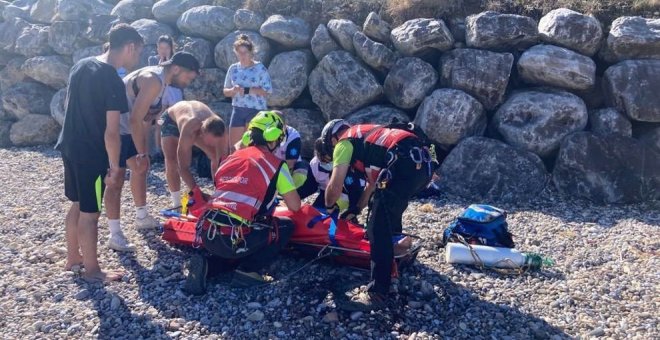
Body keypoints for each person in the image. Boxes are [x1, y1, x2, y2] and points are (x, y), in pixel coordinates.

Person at [55, 23, 144, 282]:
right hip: (91, 154)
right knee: (91, 213)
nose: (137, 58)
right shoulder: (111, 78)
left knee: (77, 202)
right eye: (138, 51)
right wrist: (115, 167)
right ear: (129, 47)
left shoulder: (81, 65)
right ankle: (93, 271)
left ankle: (73, 258)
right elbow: (112, 131)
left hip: (69, 145)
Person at [324, 121, 438, 311]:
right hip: (422, 167)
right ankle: (396, 260)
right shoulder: (369, 138)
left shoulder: (344, 143)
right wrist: (357, 209)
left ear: (333, 138)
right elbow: (371, 185)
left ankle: (379, 291)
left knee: (377, 229)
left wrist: (329, 209)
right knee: (387, 212)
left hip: (403, 165)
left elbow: (334, 186)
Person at [185, 111, 301, 294]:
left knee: (231, 252)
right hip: (237, 236)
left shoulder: (229, 158)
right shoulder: (276, 165)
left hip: (208, 233)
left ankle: (208, 264)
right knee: (285, 226)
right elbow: (295, 206)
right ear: (273, 137)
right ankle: (248, 271)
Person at [103, 52, 200, 252]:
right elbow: (135, 119)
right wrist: (142, 152)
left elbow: (145, 118)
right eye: (187, 77)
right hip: (116, 130)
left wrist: (143, 152)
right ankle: (115, 234)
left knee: (140, 170)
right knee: (116, 178)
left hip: (127, 130)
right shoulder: (153, 79)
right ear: (175, 69)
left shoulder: (162, 82)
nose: (187, 82)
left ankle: (142, 216)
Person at [159, 100, 227, 208]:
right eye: (209, 142)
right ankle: (176, 202)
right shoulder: (190, 131)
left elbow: (223, 163)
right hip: (170, 120)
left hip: (198, 122)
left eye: (215, 142)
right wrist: (198, 192)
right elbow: (183, 167)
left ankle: (218, 192)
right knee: (172, 161)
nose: (212, 144)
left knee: (215, 156)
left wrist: (221, 192)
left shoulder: (221, 129)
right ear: (202, 133)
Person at [296, 120, 365, 220]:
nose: (325, 163)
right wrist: (292, 197)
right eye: (322, 160)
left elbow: (355, 193)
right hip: (325, 194)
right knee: (313, 215)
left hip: (345, 196)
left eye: (328, 160)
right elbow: (310, 187)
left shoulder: (348, 166)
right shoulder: (314, 164)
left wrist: (352, 212)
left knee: (338, 218)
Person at [222, 34, 272, 153]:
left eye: (245, 52)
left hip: (255, 111)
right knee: (234, 149)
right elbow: (225, 92)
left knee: (251, 148)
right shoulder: (233, 69)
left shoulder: (260, 69)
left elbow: (267, 91)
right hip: (238, 110)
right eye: (239, 53)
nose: (242, 56)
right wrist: (233, 91)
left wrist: (248, 90)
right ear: (236, 53)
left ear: (251, 52)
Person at [147, 35, 180, 161]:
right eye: (161, 48)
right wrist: (161, 62)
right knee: (158, 119)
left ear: (171, 48)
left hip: (173, 90)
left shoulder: (176, 60)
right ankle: (158, 149)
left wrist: (168, 63)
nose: (163, 51)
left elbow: (176, 78)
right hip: (159, 90)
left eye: (166, 48)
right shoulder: (153, 60)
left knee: (174, 119)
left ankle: (174, 149)